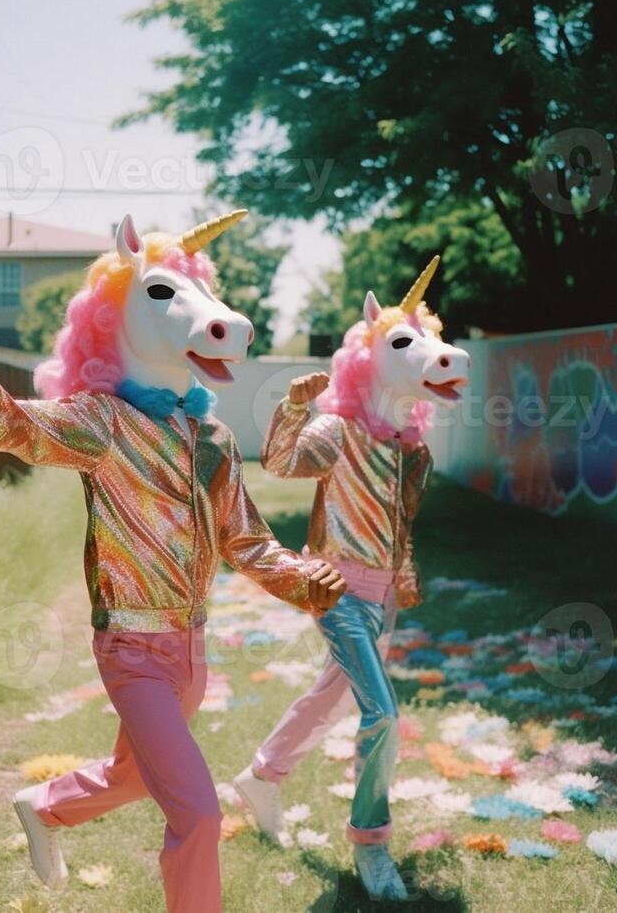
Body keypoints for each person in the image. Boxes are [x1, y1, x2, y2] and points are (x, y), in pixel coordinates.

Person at [0, 211, 346, 913]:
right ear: (112, 319)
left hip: (191, 650)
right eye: (162, 294)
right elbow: (31, 428)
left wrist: (301, 580)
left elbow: (246, 539)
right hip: (131, 647)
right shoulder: (101, 421)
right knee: (199, 813)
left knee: (133, 777)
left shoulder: (210, 434)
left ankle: (45, 806)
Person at [235, 257, 471, 901]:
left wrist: (406, 570)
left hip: (383, 595)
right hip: (334, 588)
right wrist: (291, 407)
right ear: (368, 359)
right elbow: (282, 461)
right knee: (383, 714)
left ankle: (263, 775)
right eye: (402, 343)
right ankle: (372, 844)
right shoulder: (336, 430)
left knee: (333, 697)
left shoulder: (410, 452)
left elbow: (400, 523)